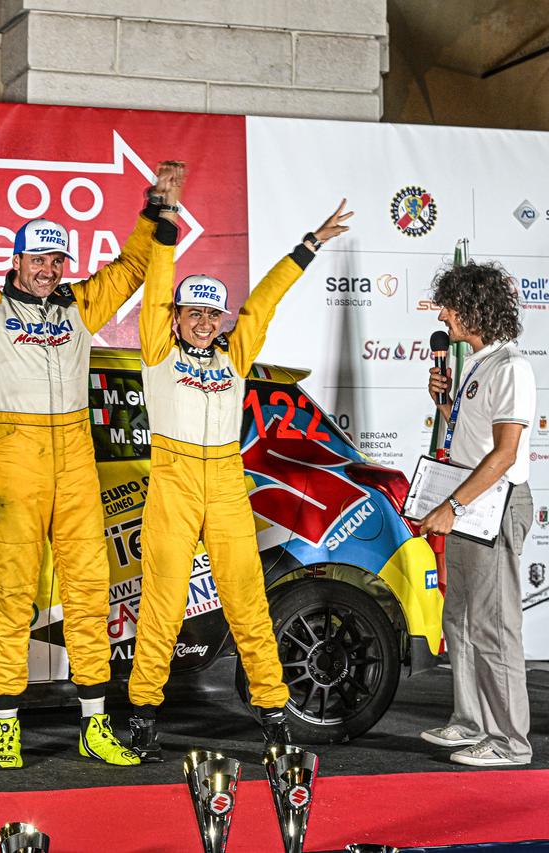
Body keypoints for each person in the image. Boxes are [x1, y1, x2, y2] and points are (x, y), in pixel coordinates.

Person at [0, 132, 174, 769]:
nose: (50, 269)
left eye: (58, 260)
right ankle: (6, 722)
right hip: (15, 461)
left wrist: (156, 207)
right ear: (16, 260)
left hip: (76, 459)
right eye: (39, 259)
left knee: (89, 590)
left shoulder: (79, 305)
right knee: (12, 592)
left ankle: (94, 722)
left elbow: (131, 269)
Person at [125, 184, 352, 761]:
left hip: (227, 480)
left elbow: (265, 302)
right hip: (174, 481)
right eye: (193, 314)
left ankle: (273, 712)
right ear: (176, 318)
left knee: (248, 602)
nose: (204, 323)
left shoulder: (235, 354)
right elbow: (156, 287)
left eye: (211, 314)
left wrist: (308, 245)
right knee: (163, 605)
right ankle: (144, 714)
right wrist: (166, 222)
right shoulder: (158, 352)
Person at [419, 260, 536, 767]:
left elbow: (505, 454)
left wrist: (452, 505)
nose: (442, 315)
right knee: (460, 620)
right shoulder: (480, 363)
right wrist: (446, 405)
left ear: (474, 309)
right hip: (472, 503)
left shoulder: (511, 367)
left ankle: (510, 742)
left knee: (493, 626)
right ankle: (470, 723)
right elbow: (471, 440)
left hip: (494, 503)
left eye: (449, 306)